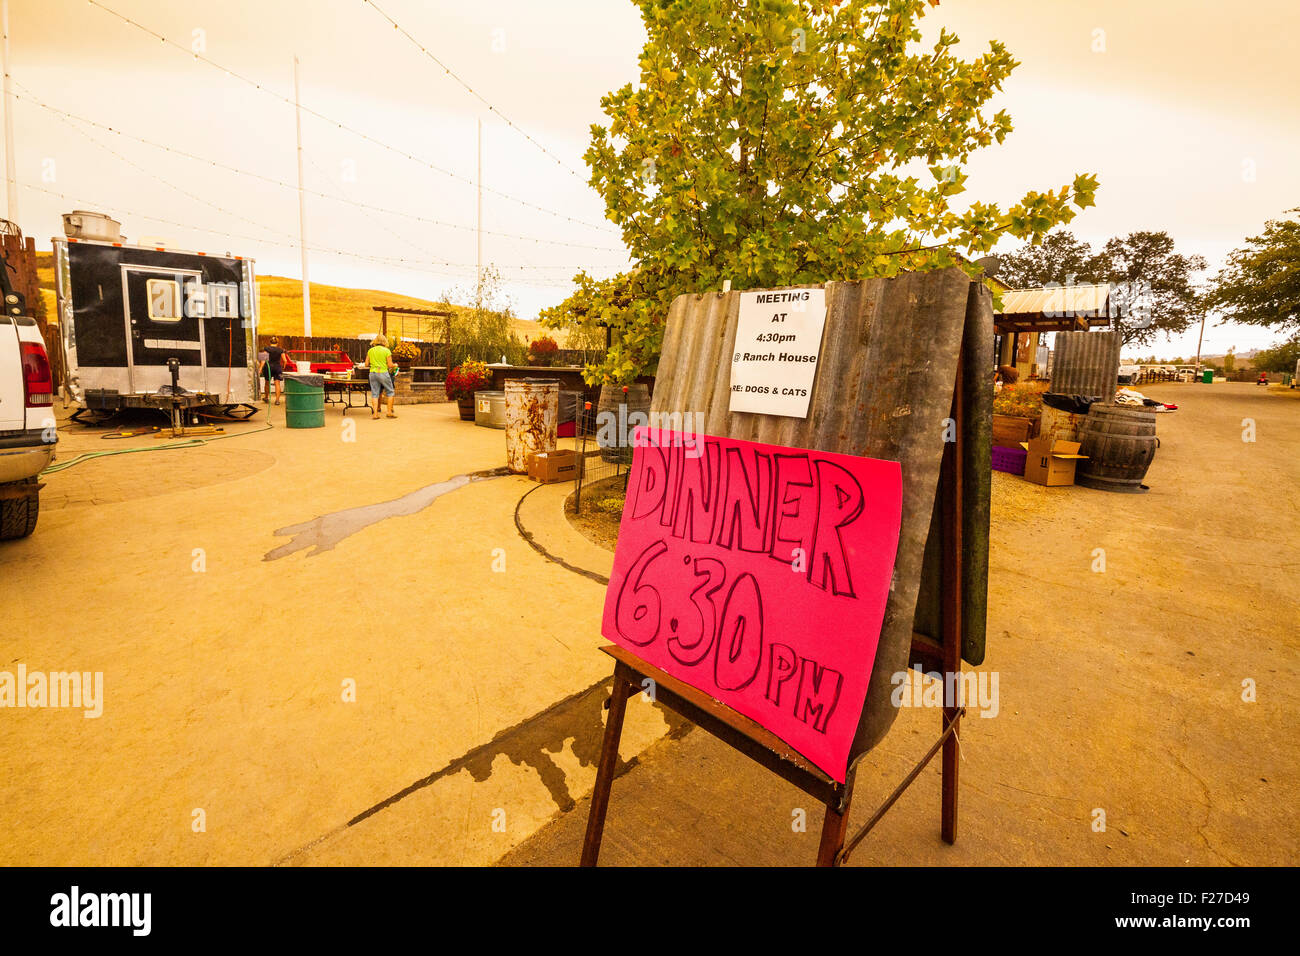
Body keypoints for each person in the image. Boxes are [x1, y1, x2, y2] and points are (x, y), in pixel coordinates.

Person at [366, 334, 398, 419]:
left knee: (375, 394)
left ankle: (375, 414)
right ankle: (389, 412)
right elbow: (390, 365)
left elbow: (366, 364)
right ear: (384, 341)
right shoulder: (386, 351)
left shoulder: (370, 350)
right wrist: (395, 365)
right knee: (390, 392)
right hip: (383, 372)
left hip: (372, 373)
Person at [264, 337, 288, 405]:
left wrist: (260, 368)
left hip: (268, 367)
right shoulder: (281, 350)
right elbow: (285, 360)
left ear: (270, 342)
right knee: (277, 384)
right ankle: (277, 400)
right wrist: (283, 367)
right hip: (277, 367)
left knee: (267, 382)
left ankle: (266, 398)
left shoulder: (266, 348)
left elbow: (262, 359)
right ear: (277, 343)